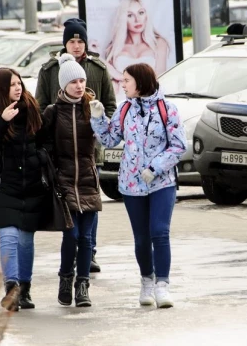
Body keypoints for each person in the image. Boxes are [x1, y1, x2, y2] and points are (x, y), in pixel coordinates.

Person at [90, 63, 187, 308]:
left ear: (140, 83)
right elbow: (110, 139)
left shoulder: (167, 109)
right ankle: (147, 281)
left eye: (126, 81)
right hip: (131, 184)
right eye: (122, 81)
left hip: (161, 182)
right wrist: (98, 118)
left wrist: (155, 168)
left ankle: (162, 286)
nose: (122, 85)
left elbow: (178, 146)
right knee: (142, 238)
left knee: (160, 232)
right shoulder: (125, 109)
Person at [36, 17, 116, 273]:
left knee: (90, 200)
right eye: (72, 40)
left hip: (90, 152)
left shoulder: (98, 69)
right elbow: (39, 108)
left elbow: (111, 106)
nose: (76, 45)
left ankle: (89, 251)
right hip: (60, 155)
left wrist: (102, 123)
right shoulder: (49, 70)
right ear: (65, 43)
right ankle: (71, 258)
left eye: (80, 40)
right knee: (69, 210)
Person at [0, 67, 46, 312]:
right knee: (8, 236)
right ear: (0, 89)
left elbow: (43, 141)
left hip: (31, 186)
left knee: (25, 241)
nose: (18, 87)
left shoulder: (31, 108)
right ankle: (11, 289)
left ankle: (24, 289)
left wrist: (39, 161)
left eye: (19, 83)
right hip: (1, 188)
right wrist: (2, 122)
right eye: (12, 84)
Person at [41, 54, 102, 308]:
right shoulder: (53, 112)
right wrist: (50, 175)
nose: (79, 85)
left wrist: (101, 120)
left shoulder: (91, 107)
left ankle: (83, 285)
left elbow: (108, 138)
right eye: (73, 81)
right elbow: (43, 146)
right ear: (63, 85)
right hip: (64, 181)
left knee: (87, 238)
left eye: (82, 80)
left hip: (88, 178)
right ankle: (66, 279)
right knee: (72, 235)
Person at [103, 0, 170, 96]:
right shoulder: (114, 48)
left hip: (148, 98)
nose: (137, 19)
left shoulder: (159, 43)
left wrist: (123, 78)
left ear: (146, 15)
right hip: (122, 99)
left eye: (141, 13)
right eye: (130, 15)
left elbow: (160, 78)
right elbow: (110, 79)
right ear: (123, 19)